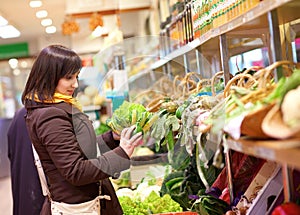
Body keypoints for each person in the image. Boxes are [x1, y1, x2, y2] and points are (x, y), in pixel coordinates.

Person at [21, 44, 143, 214]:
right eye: (69, 77)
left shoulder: (55, 106)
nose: (75, 84)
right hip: (79, 206)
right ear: (49, 76)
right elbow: (75, 171)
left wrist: (111, 138)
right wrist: (121, 153)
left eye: (77, 76)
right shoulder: (50, 116)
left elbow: (78, 148)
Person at [7, 107, 45, 215]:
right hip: (40, 195)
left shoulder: (19, 115)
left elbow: (10, 152)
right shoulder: (47, 114)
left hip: (23, 189)